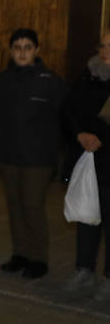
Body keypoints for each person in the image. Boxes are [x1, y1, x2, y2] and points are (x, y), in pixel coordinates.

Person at [0, 28, 65, 279]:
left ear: (37, 50)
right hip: (10, 155)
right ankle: (20, 253)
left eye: (28, 47)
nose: (22, 52)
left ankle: (38, 257)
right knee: (15, 206)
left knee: (32, 206)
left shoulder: (50, 81)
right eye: (18, 47)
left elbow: (63, 117)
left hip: (38, 159)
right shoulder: (0, 81)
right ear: (11, 51)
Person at [63, 31, 110, 300]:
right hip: (87, 157)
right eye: (102, 45)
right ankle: (84, 269)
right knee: (86, 215)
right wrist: (80, 134)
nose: (104, 50)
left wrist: (101, 138)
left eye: (109, 46)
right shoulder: (88, 75)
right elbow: (69, 110)